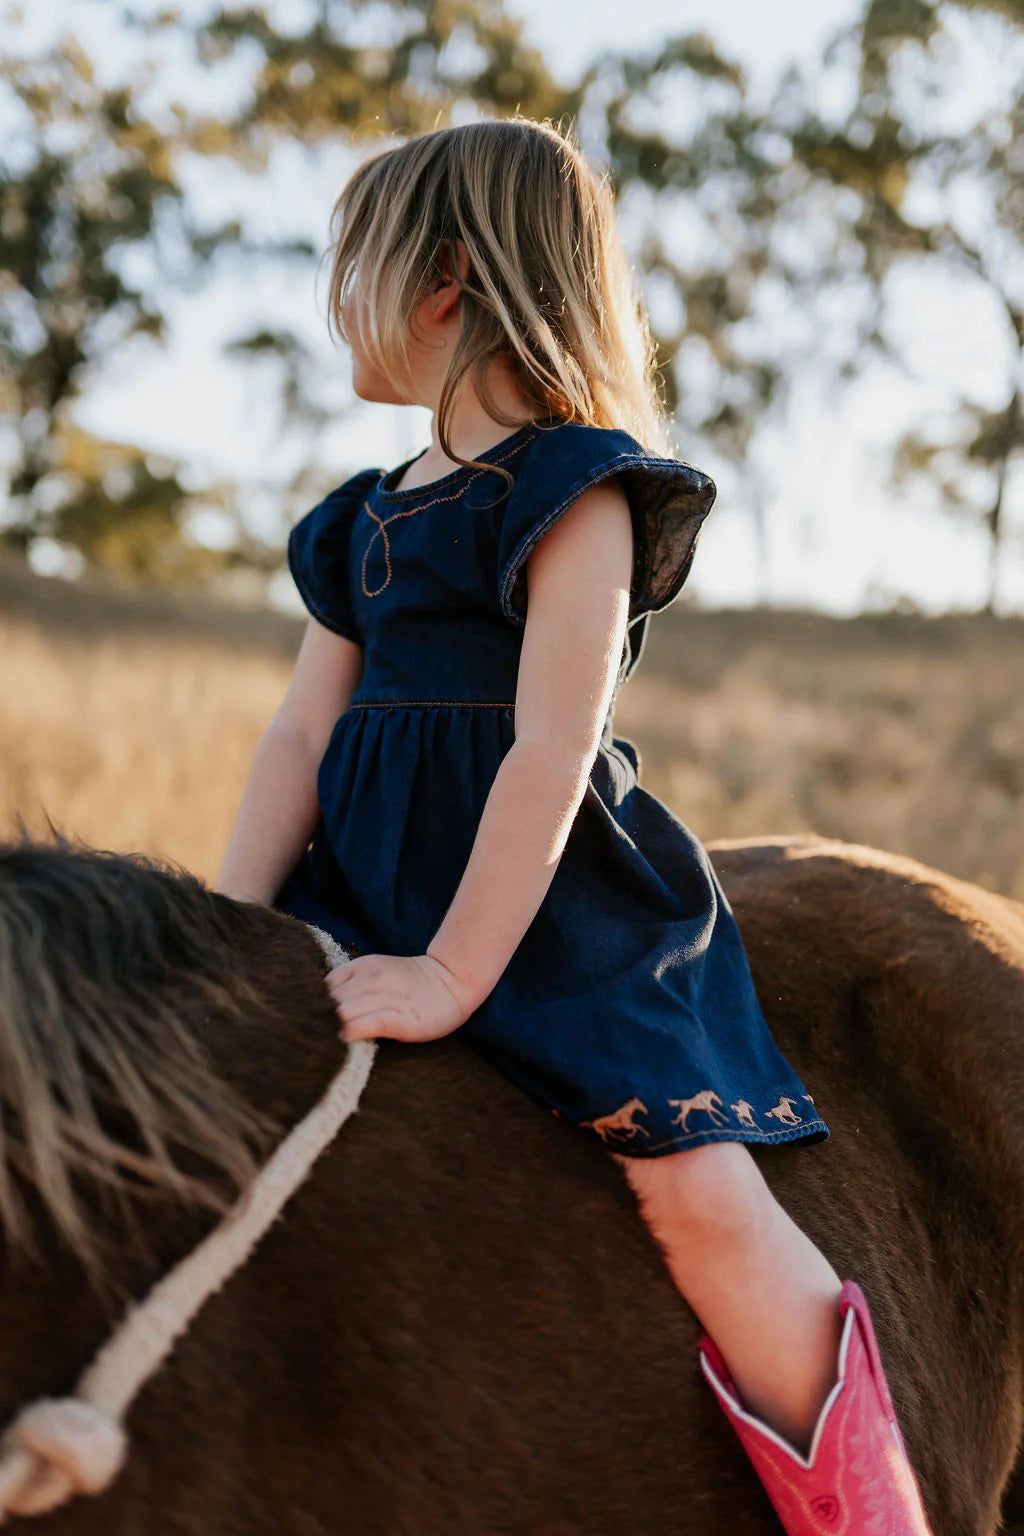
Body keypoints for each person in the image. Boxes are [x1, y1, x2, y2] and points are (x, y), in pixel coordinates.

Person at [216, 116, 932, 1532]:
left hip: (551, 921)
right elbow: (300, 732)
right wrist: (226, 927)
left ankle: (876, 1516)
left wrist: (452, 973)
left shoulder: (579, 489)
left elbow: (553, 748)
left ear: (446, 280)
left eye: (349, 262)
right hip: (356, 880)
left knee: (704, 1204)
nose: (327, 301)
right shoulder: (356, 521)